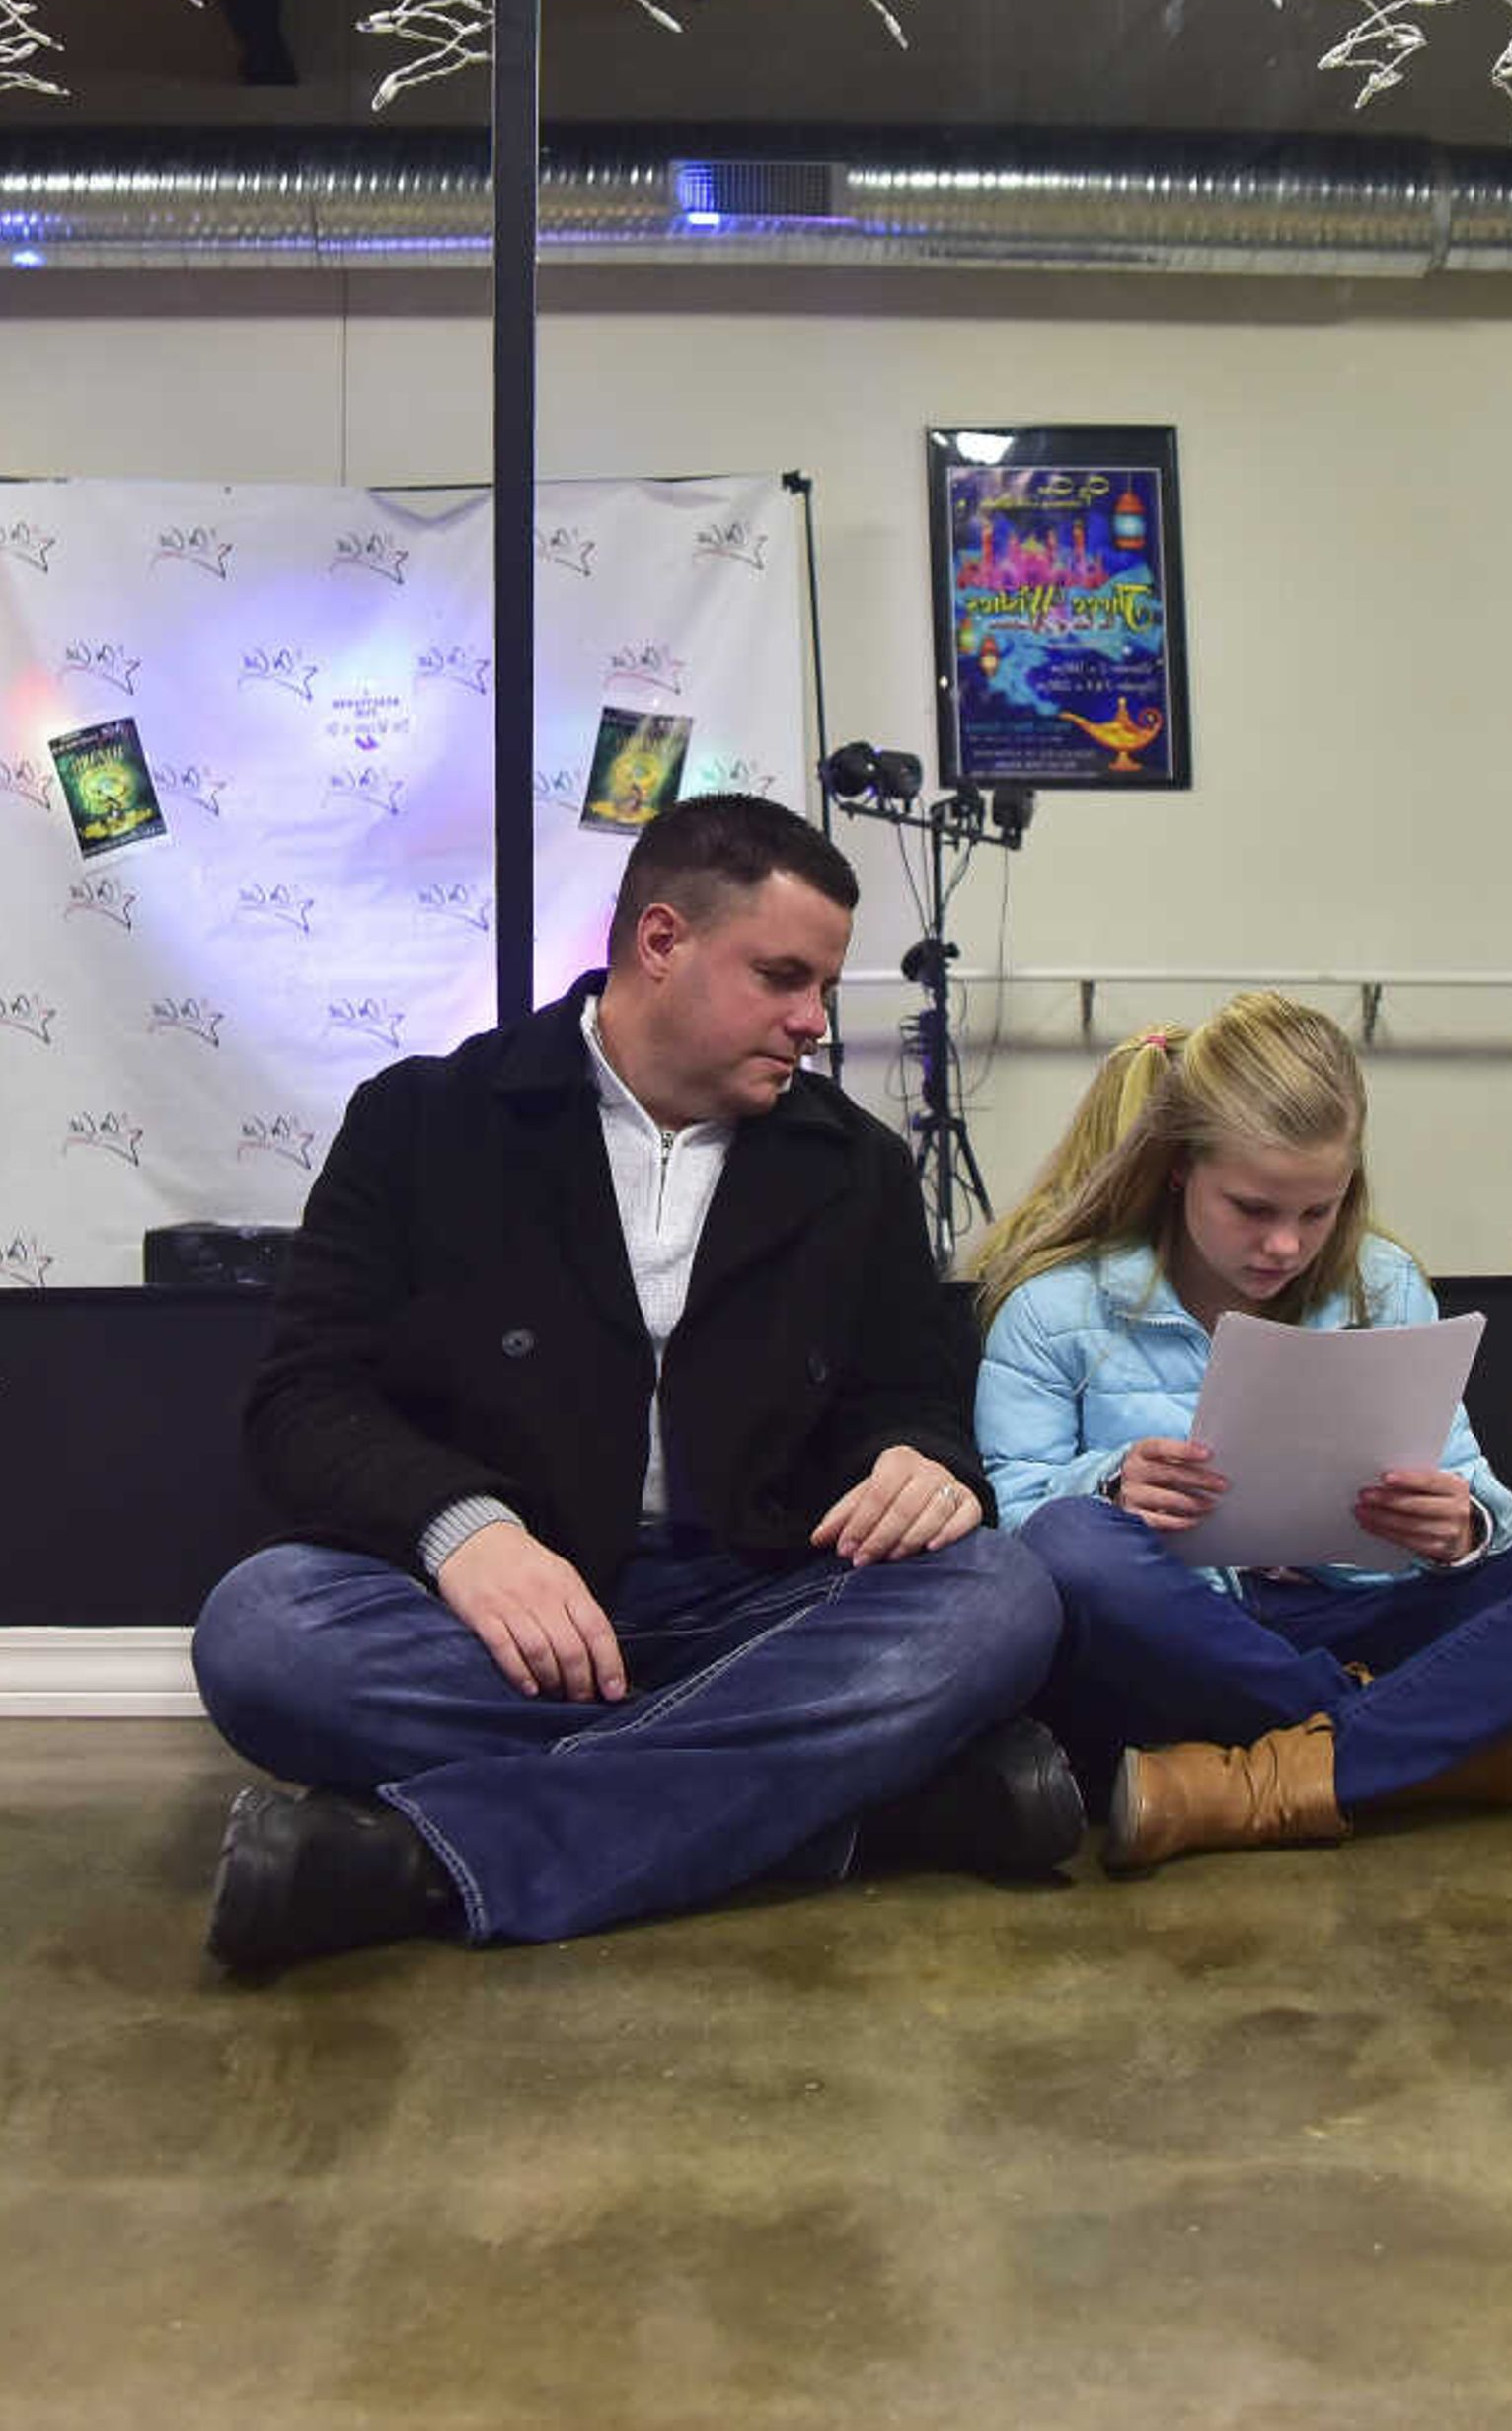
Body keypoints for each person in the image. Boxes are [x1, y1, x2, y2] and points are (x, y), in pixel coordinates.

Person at [192, 795, 1076, 1971]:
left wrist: (921, 1462)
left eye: (824, 988)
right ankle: (857, 1808)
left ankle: (421, 1857)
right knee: (264, 1633)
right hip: (507, 1624)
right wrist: (466, 1535)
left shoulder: (855, 1167)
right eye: (782, 978)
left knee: (1001, 1595)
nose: (813, 1021)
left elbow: (907, 1394)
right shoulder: (422, 1122)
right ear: (662, 943)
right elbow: (305, 1401)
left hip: (763, 1608)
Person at [967, 993, 1512, 1872]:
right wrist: (1111, 1486)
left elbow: (1473, 1486)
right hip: (1186, 1638)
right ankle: (1436, 1748)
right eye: (1253, 1207)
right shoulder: (1054, 1310)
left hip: (1364, 1611)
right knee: (1074, 1541)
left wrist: (1463, 1530)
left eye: (1317, 1212)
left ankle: (1258, 1779)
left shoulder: (1382, 1285)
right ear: (1176, 1170)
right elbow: (1008, 1533)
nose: (1285, 1245)